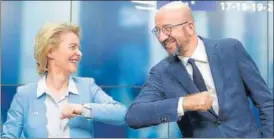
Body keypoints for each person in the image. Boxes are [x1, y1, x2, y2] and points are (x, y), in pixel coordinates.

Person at [126, 1, 273, 138]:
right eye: (157, 31)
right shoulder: (161, 72)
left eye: (167, 29)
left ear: (190, 27)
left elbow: (266, 103)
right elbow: (134, 116)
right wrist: (184, 103)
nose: (162, 37)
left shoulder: (230, 49)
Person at [1, 23, 127, 138]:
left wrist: (81, 109)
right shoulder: (25, 94)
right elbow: (9, 136)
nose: (79, 53)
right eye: (72, 47)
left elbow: (122, 114)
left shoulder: (87, 86)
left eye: (79, 48)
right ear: (50, 52)